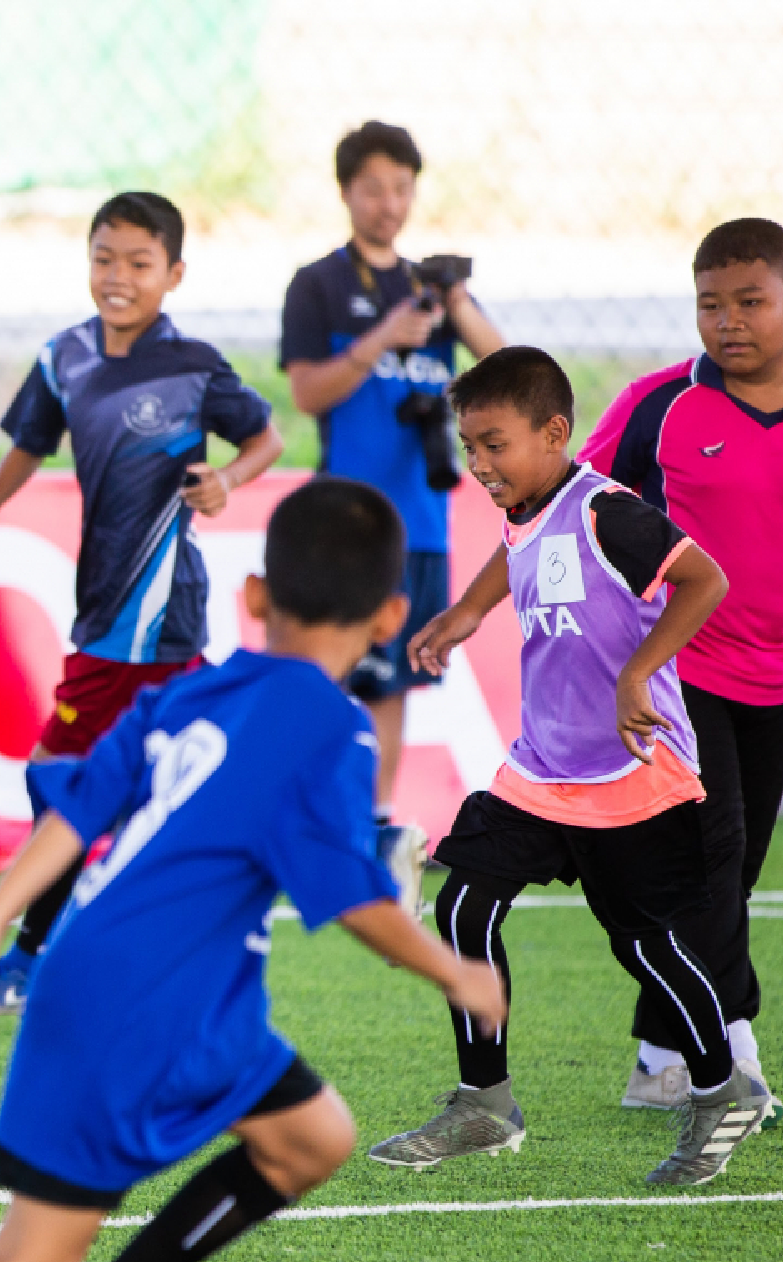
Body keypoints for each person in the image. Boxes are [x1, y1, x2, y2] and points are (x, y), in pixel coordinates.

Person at [0, 479, 507, 1262]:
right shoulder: (332, 727)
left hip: (152, 989)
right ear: (390, 617)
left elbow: (72, 811)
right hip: (150, 1004)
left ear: (255, 594)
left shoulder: (190, 690)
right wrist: (458, 974)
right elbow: (352, 900)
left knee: (315, 1136)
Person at [422, 219, 783, 1115]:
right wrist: (472, 608)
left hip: (776, 676)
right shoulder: (658, 404)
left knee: (730, 872)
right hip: (671, 677)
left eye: (750, 301)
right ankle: (729, 1059)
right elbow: (549, 512)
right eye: (711, 304)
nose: (729, 321)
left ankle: (661, 1053)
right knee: (711, 860)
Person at [374, 346, 773, 1186]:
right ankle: (484, 1101)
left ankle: (719, 1087)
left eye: (493, 444)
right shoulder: (527, 505)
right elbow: (515, 551)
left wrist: (637, 674)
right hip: (542, 766)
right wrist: (462, 614)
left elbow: (706, 579)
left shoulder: (607, 512)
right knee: (464, 910)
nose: (478, 464)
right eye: (469, 446)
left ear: (554, 434)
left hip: (630, 769)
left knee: (649, 948)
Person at [0, 191, 284, 1015]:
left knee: (62, 780)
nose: (118, 277)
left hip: (157, 615)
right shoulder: (65, 356)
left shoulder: (193, 365)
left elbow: (264, 434)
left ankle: (33, 957)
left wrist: (225, 479)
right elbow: (28, 442)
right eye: (104, 258)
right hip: (102, 607)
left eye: (138, 262)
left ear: (174, 273)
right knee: (117, 784)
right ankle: (75, 946)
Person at [279, 120, 503, 837]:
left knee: (391, 684)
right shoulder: (318, 284)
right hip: (342, 521)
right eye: (372, 187)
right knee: (324, 674)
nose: (388, 203)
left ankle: (371, 822)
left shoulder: (433, 292)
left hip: (420, 520)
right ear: (346, 192)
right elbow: (307, 392)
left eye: (401, 188)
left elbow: (511, 377)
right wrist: (384, 337)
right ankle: (306, 814)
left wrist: (458, 305)